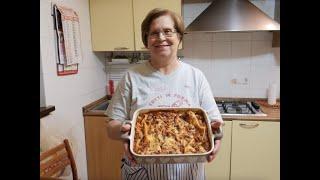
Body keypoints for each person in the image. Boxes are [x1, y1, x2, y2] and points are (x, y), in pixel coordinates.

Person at [105, 8, 224, 180]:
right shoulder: (132, 77)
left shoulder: (195, 77)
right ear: (146, 41)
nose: (161, 38)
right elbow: (111, 128)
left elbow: (214, 125)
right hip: (142, 171)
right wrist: (125, 133)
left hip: (187, 173)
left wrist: (216, 138)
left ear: (179, 37)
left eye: (168, 31)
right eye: (154, 33)